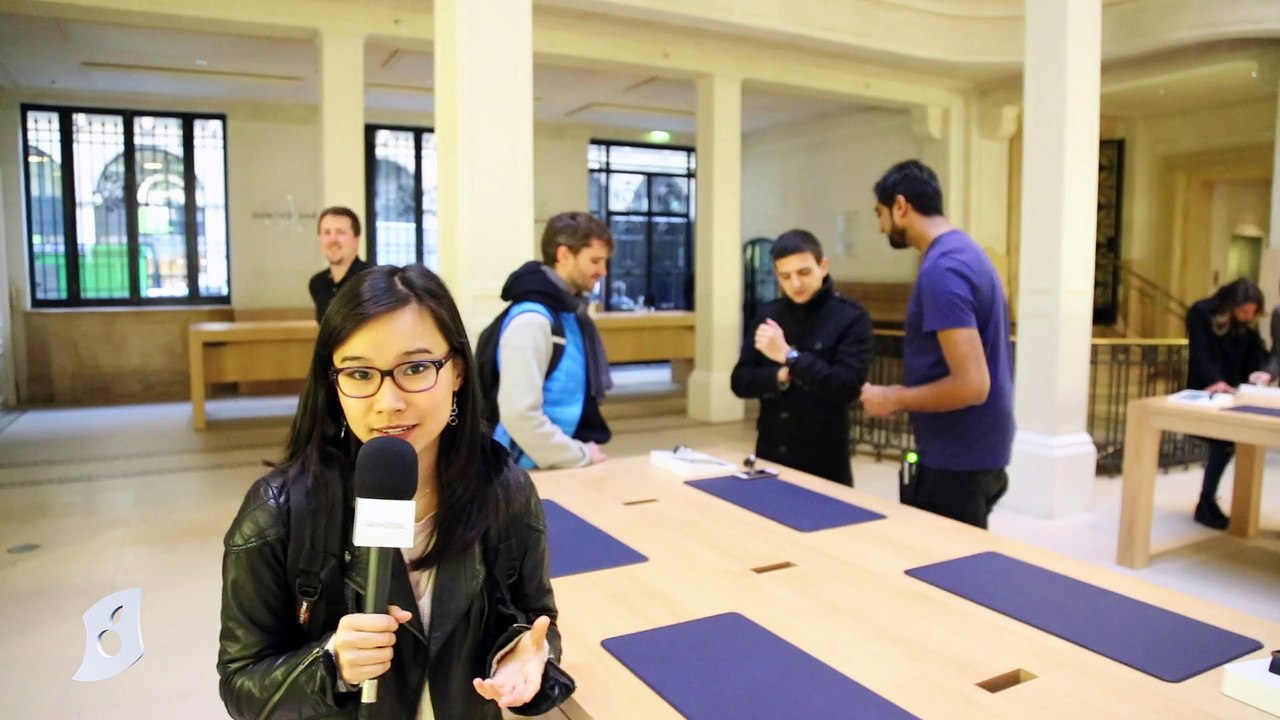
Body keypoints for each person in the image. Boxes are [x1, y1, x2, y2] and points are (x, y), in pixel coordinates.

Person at [218, 264, 564, 720]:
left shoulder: (505, 491)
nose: (389, 402)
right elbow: (241, 684)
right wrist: (331, 665)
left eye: (416, 368)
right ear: (333, 382)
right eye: (360, 374)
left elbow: (535, 619)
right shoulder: (278, 512)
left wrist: (527, 657)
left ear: (457, 371)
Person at [859, 160, 1015, 529]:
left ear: (901, 206)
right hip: (976, 450)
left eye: (881, 214)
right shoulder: (967, 253)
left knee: (947, 575)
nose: (882, 228)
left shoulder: (943, 269)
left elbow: (972, 385)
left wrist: (893, 396)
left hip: (958, 460)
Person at [730, 229, 874, 486]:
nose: (795, 284)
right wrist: (781, 375)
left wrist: (789, 356)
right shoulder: (768, 315)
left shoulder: (850, 318)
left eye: (804, 272)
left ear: (823, 266)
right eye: (785, 276)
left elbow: (846, 386)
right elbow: (740, 380)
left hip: (824, 460)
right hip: (771, 452)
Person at [493, 211, 614, 469]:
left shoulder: (568, 313)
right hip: (526, 469)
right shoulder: (532, 321)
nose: (603, 271)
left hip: (556, 462)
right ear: (563, 255)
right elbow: (519, 415)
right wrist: (578, 455)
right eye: (595, 260)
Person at [1185, 278, 1271, 530]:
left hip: (1234, 391)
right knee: (1222, 443)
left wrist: (1261, 372)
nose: (1248, 316)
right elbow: (1200, 352)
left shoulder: (1245, 324)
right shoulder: (1202, 312)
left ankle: (1208, 501)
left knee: (1234, 442)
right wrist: (1215, 380)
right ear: (1231, 304)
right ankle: (1206, 501)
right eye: (1243, 311)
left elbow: (1256, 353)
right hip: (1207, 389)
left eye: (1252, 312)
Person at [308, 206, 370, 323]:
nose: (333, 240)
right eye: (326, 233)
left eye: (340, 232)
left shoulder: (371, 280)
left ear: (356, 239)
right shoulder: (317, 284)